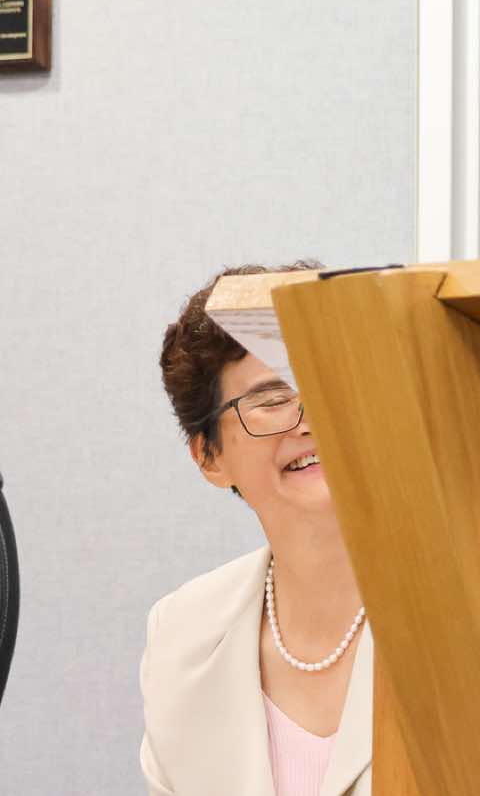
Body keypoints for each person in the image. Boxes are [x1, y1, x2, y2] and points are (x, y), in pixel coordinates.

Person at [140, 264, 373, 796]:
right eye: (271, 400)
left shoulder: (466, 609)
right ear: (209, 457)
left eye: (328, 386)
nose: (310, 420)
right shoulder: (180, 635)